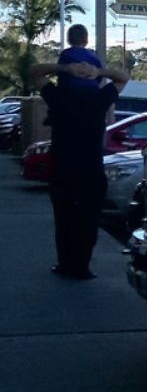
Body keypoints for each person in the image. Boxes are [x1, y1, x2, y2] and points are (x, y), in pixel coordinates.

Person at [31, 53, 130, 280]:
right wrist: (98, 72)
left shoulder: (58, 97)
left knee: (63, 220)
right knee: (88, 221)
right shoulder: (100, 98)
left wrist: (66, 68)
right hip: (91, 172)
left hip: (63, 171)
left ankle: (65, 263)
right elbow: (123, 77)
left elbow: (35, 73)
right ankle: (81, 266)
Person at [56, 24, 105, 91]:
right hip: (91, 90)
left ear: (69, 39)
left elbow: (59, 72)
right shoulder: (92, 55)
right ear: (86, 39)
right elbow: (99, 75)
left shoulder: (65, 53)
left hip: (68, 90)